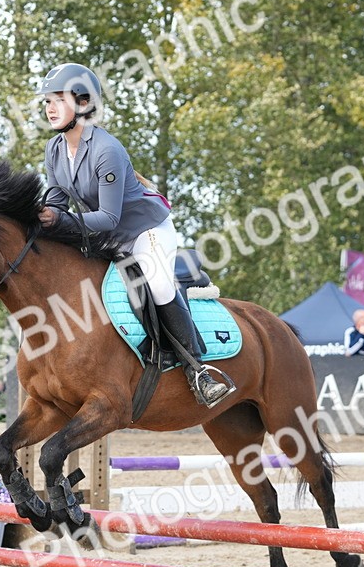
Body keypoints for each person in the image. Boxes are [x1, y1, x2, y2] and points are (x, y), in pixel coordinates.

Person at [34, 62, 234, 408]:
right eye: (47, 101)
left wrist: (60, 221)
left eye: (57, 99)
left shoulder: (106, 150)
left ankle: (197, 370)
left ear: (82, 103)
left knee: (156, 282)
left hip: (145, 231)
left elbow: (109, 217)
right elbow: (55, 202)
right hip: (106, 238)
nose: (49, 107)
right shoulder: (54, 150)